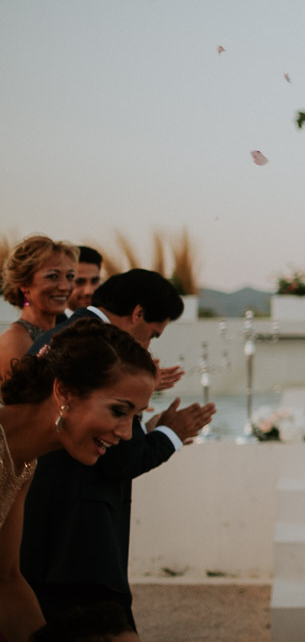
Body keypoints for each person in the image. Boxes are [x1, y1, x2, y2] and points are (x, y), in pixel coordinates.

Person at [19, 270, 215, 630]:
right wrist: (170, 434)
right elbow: (121, 459)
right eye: (153, 335)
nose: (149, 346)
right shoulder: (94, 348)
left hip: (47, 540)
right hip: (79, 545)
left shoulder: (62, 338)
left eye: (132, 414)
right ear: (138, 313)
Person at [0, 320, 156, 642]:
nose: (126, 433)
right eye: (118, 410)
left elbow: (6, 581)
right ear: (64, 391)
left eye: (135, 417)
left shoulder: (24, 462)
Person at [0, 237, 77, 385]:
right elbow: (24, 404)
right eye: (53, 276)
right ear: (24, 284)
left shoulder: (64, 332)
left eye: (70, 276)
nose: (65, 286)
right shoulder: (15, 341)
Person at [66, 247, 103, 316]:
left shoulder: (110, 323)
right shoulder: (50, 324)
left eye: (94, 281)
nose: (89, 291)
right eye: (79, 282)